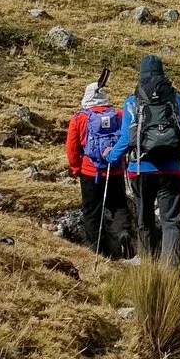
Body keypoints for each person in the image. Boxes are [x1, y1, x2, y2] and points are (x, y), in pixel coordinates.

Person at [122, 54, 180, 263]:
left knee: (144, 219)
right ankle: (169, 269)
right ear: (163, 73)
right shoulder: (177, 100)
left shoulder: (132, 101)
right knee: (171, 221)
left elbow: (125, 138)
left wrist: (112, 157)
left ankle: (147, 264)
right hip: (171, 168)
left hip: (140, 168)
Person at [65, 77, 133, 258]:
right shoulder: (118, 114)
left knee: (92, 211)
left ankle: (96, 250)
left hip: (90, 172)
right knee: (119, 205)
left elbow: (72, 147)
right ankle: (123, 234)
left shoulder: (80, 118)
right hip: (115, 169)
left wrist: (75, 168)